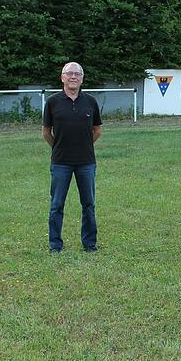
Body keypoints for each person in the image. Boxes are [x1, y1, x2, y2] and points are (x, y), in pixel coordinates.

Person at [42, 62, 102, 253]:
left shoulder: (90, 101)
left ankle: (90, 243)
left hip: (86, 162)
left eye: (77, 74)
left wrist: (84, 145)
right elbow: (46, 132)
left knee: (89, 204)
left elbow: (97, 129)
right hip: (60, 162)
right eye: (69, 74)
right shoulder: (52, 102)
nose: (73, 77)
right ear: (62, 77)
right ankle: (55, 245)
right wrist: (59, 146)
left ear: (82, 78)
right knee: (56, 204)